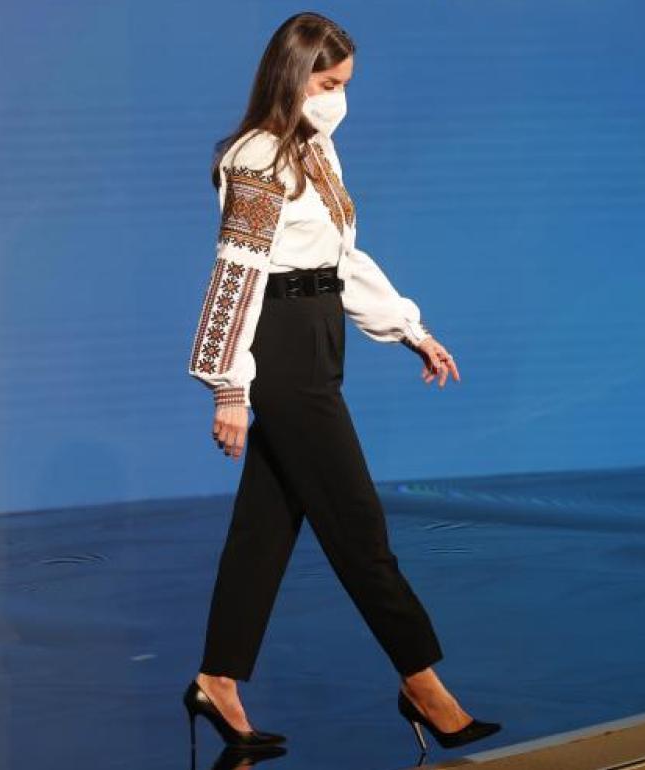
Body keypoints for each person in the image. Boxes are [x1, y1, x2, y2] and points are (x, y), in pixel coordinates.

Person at [181, 11, 501, 755]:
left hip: (320, 335)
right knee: (357, 527)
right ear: (294, 76)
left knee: (265, 527)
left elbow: (341, 260)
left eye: (344, 84)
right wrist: (229, 387)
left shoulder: (315, 149)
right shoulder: (258, 158)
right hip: (282, 347)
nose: (337, 98)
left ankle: (217, 680)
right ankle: (423, 683)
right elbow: (236, 277)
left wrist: (409, 329)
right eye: (327, 83)